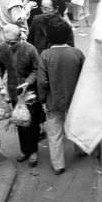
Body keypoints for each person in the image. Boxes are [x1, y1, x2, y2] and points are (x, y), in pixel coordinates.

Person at [37, 15, 84, 174]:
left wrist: (42, 99)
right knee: (76, 125)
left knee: (55, 132)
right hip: (74, 99)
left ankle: (58, 165)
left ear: (49, 37)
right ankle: (80, 149)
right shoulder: (77, 53)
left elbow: (42, 82)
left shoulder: (45, 55)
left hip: (53, 100)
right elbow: (85, 77)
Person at [0, 24, 42, 167]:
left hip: (30, 92)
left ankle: (33, 151)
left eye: (13, 43)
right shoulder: (2, 48)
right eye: (7, 42)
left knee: (32, 122)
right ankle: (24, 150)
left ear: (20, 37)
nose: (10, 46)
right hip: (14, 89)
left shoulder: (30, 49)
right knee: (19, 121)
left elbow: (37, 69)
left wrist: (28, 82)